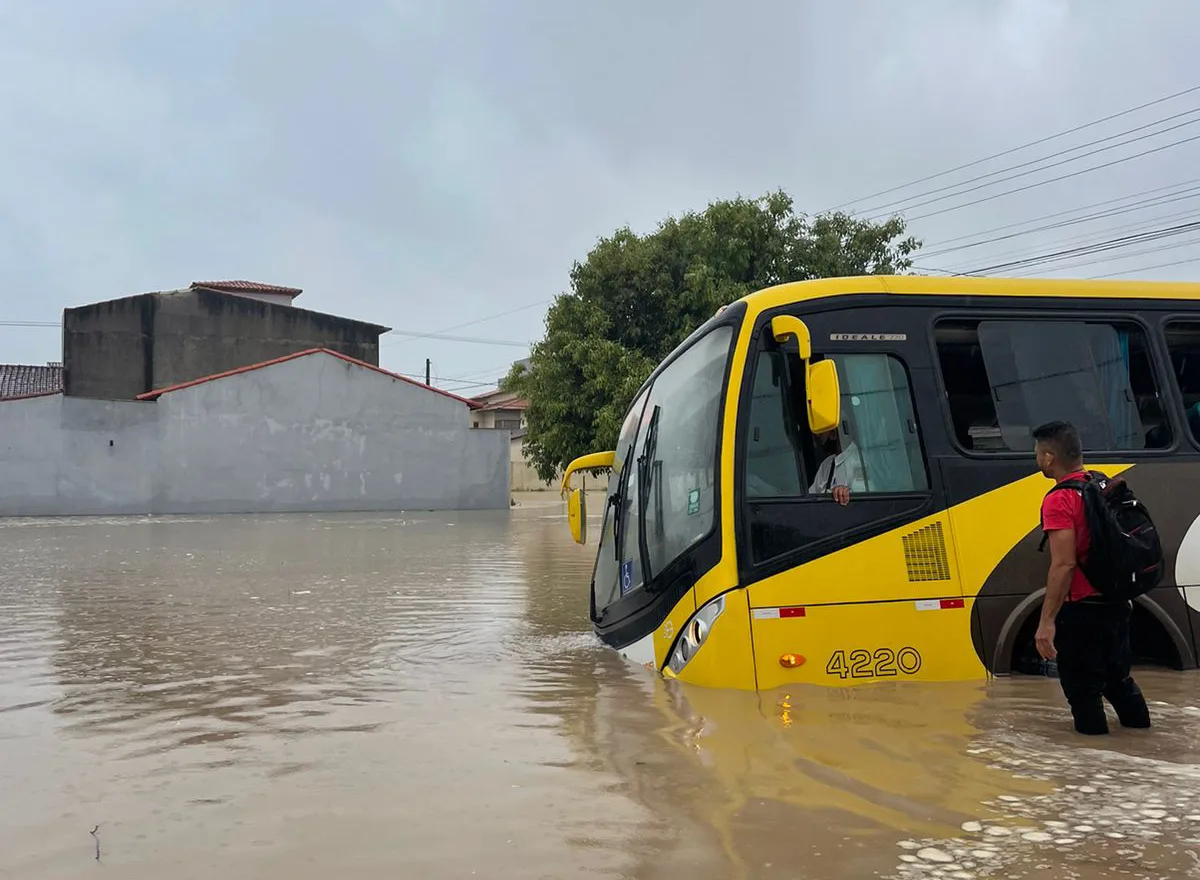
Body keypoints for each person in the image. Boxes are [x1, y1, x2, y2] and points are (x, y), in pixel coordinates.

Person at [1032, 420, 1151, 736]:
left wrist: (1047, 622)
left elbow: (1063, 565)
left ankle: (1094, 772)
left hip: (1082, 609)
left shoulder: (1059, 499)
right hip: (1117, 602)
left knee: (1083, 692)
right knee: (1119, 681)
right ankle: (1142, 743)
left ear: (1047, 458)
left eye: (1037, 452)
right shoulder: (1101, 484)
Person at [809, 426, 865, 506]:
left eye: (822, 431)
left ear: (834, 433)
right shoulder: (827, 464)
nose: (818, 435)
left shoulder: (860, 460)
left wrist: (844, 492)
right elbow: (811, 496)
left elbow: (864, 498)